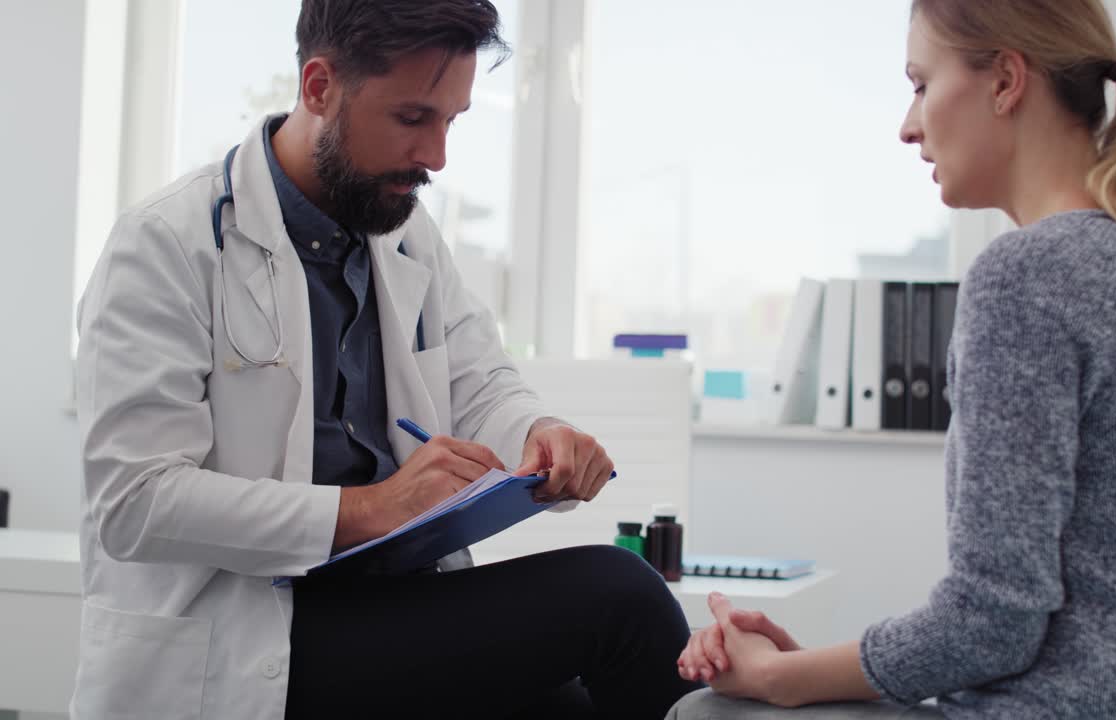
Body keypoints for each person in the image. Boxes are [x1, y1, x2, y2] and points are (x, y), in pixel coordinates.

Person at [74, 1, 699, 717]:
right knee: (617, 597)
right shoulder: (164, 244)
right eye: (413, 118)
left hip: (392, 603)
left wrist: (536, 433)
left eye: (451, 122)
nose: (437, 156)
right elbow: (132, 502)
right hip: (248, 633)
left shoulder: (402, 230)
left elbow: (481, 382)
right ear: (318, 87)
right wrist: (369, 509)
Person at [668, 0, 1116, 718]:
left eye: (921, 84)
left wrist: (781, 679)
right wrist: (810, 669)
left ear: (1006, 81)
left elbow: (993, 621)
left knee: (709, 711)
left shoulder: (1030, 275)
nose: (907, 124)